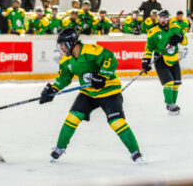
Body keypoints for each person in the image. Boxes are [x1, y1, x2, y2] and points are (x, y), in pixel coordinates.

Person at [40, 28, 143, 163]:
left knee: (116, 123)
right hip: (88, 93)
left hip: (109, 91)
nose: (61, 47)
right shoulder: (66, 60)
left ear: (71, 43)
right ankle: (60, 147)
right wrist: (52, 89)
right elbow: (64, 78)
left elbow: (110, 58)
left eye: (63, 44)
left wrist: (102, 76)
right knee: (72, 118)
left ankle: (135, 152)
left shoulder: (90, 50)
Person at [142, 10, 187, 115]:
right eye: (161, 18)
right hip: (160, 59)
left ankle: (172, 105)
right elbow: (149, 48)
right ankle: (169, 104)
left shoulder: (176, 28)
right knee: (169, 83)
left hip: (174, 59)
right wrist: (145, 61)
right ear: (158, 19)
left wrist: (180, 38)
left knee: (176, 84)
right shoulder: (152, 32)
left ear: (168, 19)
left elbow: (185, 41)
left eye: (165, 18)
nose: (163, 20)